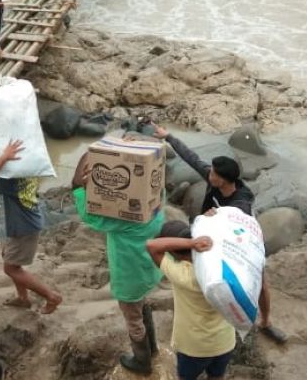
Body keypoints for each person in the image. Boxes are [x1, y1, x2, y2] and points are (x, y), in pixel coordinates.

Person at [153, 125, 286, 342]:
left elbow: (237, 231)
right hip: (209, 228)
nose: (209, 174)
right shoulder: (214, 180)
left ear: (223, 180)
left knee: (261, 282)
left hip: (237, 236)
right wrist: (168, 136)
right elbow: (191, 158)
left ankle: (265, 322)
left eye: (213, 173)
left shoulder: (241, 201)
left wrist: (214, 217)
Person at [72, 153, 163, 375]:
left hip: (129, 275)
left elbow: (90, 216)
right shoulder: (157, 201)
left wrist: (77, 184)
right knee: (143, 305)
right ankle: (152, 349)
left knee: (133, 317)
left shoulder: (122, 219)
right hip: (148, 270)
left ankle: (142, 361)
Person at [0, 139, 63, 312]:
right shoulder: (28, 170)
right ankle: (23, 298)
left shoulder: (10, 180)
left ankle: (52, 297)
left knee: (10, 268)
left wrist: (2, 158)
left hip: (24, 227)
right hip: (24, 223)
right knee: (9, 258)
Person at [147, 221, 236, 380]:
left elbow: (152, 245)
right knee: (217, 376)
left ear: (172, 252)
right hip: (225, 340)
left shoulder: (183, 274)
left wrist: (191, 243)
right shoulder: (220, 263)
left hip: (195, 347)